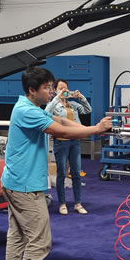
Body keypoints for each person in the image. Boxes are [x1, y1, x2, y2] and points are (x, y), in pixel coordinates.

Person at [2, 66, 112, 260]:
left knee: (18, 236)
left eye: (51, 87)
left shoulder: (30, 108)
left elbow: (62, 121)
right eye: (46, 88)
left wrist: (93, 127)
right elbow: (60, 131)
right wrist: (96, 130)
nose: (51, 92)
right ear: (32, 90)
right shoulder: (26, 111)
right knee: (40, 241)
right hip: (25, 186)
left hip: (16, 182)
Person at [44, 79, 91, 215]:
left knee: (76, 173)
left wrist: (81, 97)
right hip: (61, 142)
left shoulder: (73, 104)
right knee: (61, 174)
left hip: (74, 141)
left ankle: (78, 203)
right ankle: (62, 203)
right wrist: (57, 98)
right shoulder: (53, 105)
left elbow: (88, 110)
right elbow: (45, 113)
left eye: (66, 88)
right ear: (55, 90)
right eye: (61, 88)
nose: (64, 91)